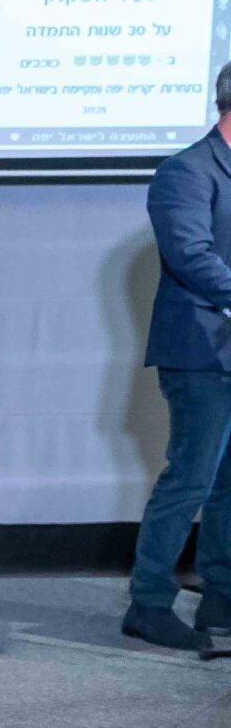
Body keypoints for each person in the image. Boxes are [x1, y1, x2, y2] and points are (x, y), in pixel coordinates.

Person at [123, 61, 231, 651]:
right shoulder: (186, 171)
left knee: (229, 485)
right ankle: (148, 603)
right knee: (190, 480)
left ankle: (221, 600)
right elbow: (191, 255)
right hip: (200, 352)